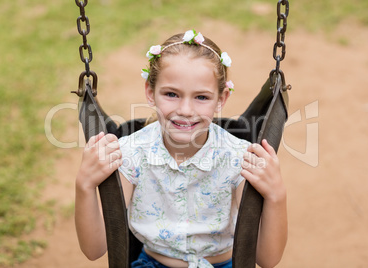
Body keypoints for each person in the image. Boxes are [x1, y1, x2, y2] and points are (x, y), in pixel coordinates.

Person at [75, 30, 287, 268]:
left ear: (221, 99)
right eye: (172, 94)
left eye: (202, 97)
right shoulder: (130, 155)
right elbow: (94, 250)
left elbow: (267, 260)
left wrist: (276, 196)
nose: (186, 109)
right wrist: (84, 185)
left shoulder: (238, 158)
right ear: (150, 92)